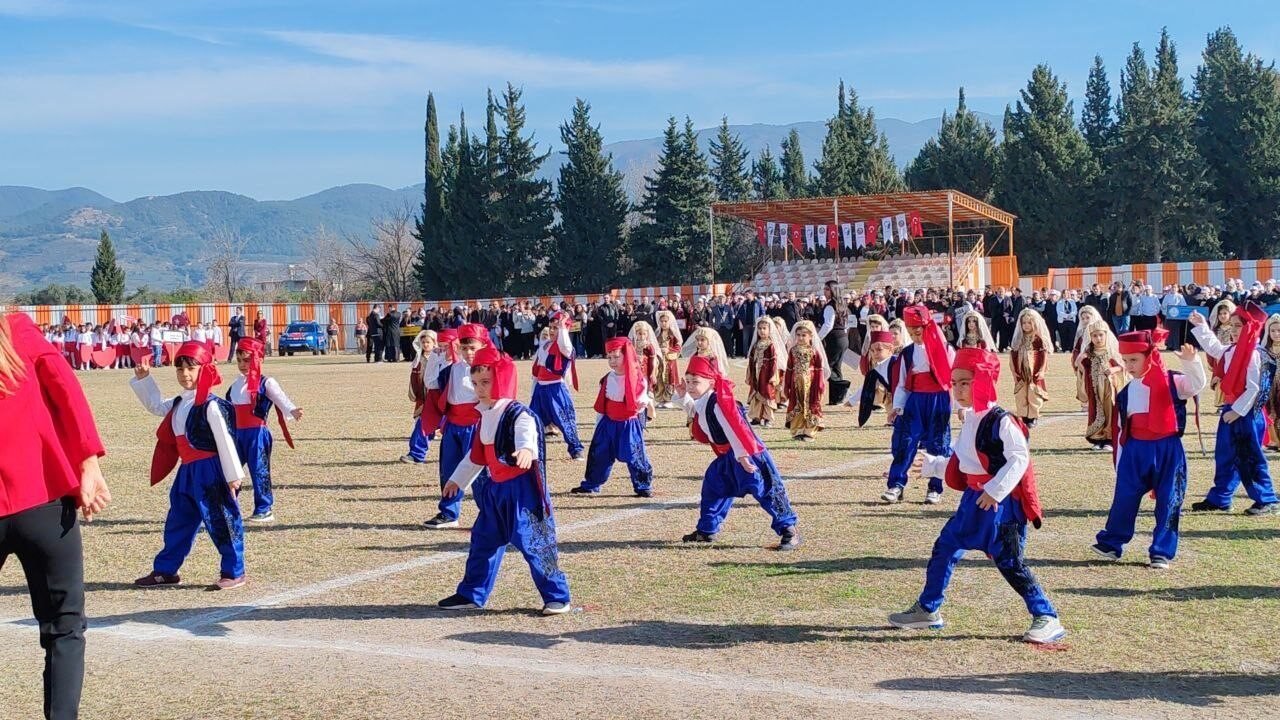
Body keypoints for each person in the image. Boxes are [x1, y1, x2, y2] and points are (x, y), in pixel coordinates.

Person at [887, 347, 1065, 645]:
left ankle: (1047, 616)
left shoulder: (1002, 420)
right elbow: (966, 461)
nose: (957, 389)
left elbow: (1019, 458)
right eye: (954, 383)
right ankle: (928, 609)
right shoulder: (971, 418)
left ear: (983, 381)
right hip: (972, 501)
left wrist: (995, 490)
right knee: (945, 547)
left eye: (965, 382)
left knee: (1009, 561)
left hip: (1001, 506)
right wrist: (933, 466)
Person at [1, 312, 111, 720]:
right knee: (64, 627)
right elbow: (67, 390)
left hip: (38, 500)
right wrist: (88, 462)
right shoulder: (17, 330)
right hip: (42, 499)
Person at [436, 347, 572, 615]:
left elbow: (526, 435)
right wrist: (457, 480)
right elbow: (476, 456)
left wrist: (526, 451)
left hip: (521, 493)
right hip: (495, 491)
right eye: (475, 383)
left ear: (501, 379)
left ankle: (557, 596)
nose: (479, 389)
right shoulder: (484, 414)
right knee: (483, 542)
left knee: (534, 542)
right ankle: (472, 593)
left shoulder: (518, 413)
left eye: (486, 382)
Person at [130, 341, 248, 590]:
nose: (184, 374)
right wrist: (144, 380)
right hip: (187, 471)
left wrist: (233, 476)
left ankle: (234, 571)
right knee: (179, 519)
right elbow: (156, 406)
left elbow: (226, 441)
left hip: (211, 471)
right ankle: (165, 570)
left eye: (191, 368)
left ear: (205, 369)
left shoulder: (212, 405)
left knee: (222, 519)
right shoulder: (179, 402)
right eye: (180, 369)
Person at [1092, 332, 1205, 569]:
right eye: (1125, 360)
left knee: (1169, 499)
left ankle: (1161, 551)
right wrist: (1120, 460)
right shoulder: (1127, 391)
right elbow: (1121, 428)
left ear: (1150, 356)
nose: (1129, 366)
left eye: (1134, 360)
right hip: (1136, 450)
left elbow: (1196, 385)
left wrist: (1191, 362)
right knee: (1124, 497)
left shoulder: (1172, 381)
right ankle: (1112, 542)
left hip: (1168, 449)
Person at [676, 355, 799, 550]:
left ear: (711, 382)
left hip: (748, 454)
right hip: (728, 457)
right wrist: (683, 396)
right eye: (688, 381)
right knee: (713, 488)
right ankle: (706, 530)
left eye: (695, 382)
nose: (690, 386)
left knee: (766, 490)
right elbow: (697, 412)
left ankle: (788, 530)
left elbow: (734, 428)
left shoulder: (719, 402)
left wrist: (742, 456)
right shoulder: (706, 400)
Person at [1188, 305, 1279, 515]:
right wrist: (1202, 326)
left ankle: (1266, 499)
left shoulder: (1255, 354)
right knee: (1225, 455)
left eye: (1239, 325)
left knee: (1249, 457)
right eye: (1232, 325)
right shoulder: (1232, 350)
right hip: (1232, 409)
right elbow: (1214, 348)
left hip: (1247, 413)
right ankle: (1220, 497)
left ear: (1250, 328)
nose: (1234, 329)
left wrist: (1237, 411)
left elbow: (1255, 388)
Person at [884, 306, 955, 504]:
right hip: (915, 401)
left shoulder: (946, 350)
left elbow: (954, 379)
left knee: (938, 443)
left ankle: (935, 487)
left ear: (927, 327)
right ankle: (896, 485)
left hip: (939, 400)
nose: (915, 336)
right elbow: (902, 382)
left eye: (918, 332)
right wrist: (898, 406)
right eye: (911, 332)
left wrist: (961, 408)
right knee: (905, 442)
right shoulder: (907, 353)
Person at [226, 338, 302, 523]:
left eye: (247, 360)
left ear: (259, 359)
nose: (242, 365)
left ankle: (264, 508)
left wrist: (292, 410)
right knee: (229, 469)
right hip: (237, 434)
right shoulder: (235, 385)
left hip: (257, 434)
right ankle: (227, 507)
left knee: (259, 470)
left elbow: (280, 398)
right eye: (239, 360)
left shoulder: (265, 382)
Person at [423, 324, 489, 529]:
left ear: (483, 346)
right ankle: (449, 512)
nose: (468, 353)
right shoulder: (452, 369)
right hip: (453, 426)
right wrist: (435, 358)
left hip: (476, 427)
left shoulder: (488, 371)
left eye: (473, 348)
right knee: (449, 469)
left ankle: (490, 514)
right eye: (464, 348)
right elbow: (431, 383)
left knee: (479, 473)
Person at [572, 337, 655, 497]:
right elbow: (603, 403)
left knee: (635, 455)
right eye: (609, 357)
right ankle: (592, 483)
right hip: (608, 423)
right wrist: (599, 424)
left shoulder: (637, 378)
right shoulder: (607, 378)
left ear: (626, 355)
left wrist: (642, 403)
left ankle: (643, 485)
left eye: (616, 357)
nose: (612, 361)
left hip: (628, 424)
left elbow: (641, 399)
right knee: (600, 454)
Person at [529, 311, 584, 460]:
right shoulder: (546, 345)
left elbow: (564, 344)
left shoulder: (565, 348)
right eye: (551, 327)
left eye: (556, 328)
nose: (552, 331)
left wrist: (563, 327)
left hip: (555, 389)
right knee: (530, 419)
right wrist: (534, 389)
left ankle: (576, 449)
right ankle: (529, 451)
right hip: (540, 388)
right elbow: (537, 368)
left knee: (565, 420)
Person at [1076, 320, 1125, 450]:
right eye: (1095, 336)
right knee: (1096, 411)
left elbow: (1123, 366)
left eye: (1101, 335)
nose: (1098, 338)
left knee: (1110, 410)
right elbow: (1083, 370)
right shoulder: (1089, 353)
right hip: (1095, 388)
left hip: (1110, 387)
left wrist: (1114, 369)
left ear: (1106, 335)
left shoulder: (1112, 351)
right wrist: (1080, 362)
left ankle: (1109, 439)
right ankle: (1098, 438)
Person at [784, 320, 828, 441]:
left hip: (811, 383)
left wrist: (820, 386)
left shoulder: (814, 351)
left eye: (804, 335)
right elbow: (789, 369)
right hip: (796, 383)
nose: (800, 338)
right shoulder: (793, 351)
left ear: (810, 336)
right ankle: (798, 430)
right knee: (796, 405)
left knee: (811, 405)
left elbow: (819, 370)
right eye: (798, 335)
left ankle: (809, 432)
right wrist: (786, 386)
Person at [1009, 309, 1051, 428]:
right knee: (1021, 393)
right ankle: (1023, 415)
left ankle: (1033, 416)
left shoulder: (1038, 339)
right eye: (1024, 323)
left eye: (1029, 323)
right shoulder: (1018, 339)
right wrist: (1014, 371)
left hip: (1034, 371)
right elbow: (1013, 355)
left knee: (1033, 393)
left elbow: (1043, 355)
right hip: (1021, 370)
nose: (1026, 325)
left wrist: (1041, 370)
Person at [403, 330, 438, 465]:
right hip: (427, 399)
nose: (426, 345)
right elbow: (414, 378)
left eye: (428, 342)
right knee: (423, 424)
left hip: (443, 400)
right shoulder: (418, 359)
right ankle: (416, 454)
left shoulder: (440, 358)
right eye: (423, 342)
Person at [746, 316, 787, 428]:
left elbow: (774, 362)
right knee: (755, 394)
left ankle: (768, 418)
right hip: (756, 375)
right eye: (759, 328)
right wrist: (750, 374)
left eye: (764, 328)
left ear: (770, 330)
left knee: (768, 395)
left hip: (766, 375)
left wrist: (773, 376)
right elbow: (751, 360)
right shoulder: (756, 345)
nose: (762, 331)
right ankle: (756, 417)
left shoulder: (771, 345)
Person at [818, 281, 851, 405]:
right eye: (824, 289)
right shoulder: (842, 305)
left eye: (827, 289)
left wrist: (817, 338)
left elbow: (828, 325)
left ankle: (843, 390)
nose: (824, 291)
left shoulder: (830, 306)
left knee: (827, 367)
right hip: (843, 338)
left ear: (833, 290)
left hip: (834, 339)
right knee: (836, 368)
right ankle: (836, 398)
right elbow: (847, 323)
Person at [651, 310, 683, 409]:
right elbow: (653, 345)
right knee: (659, 378)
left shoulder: (673, 334)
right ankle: (660, 398)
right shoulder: (657, 334)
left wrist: (668, 350)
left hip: (670, 361)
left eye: (665, 321)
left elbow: (678, 346)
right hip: (660, 361)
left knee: (670, 378)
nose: (663, 323)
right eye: (661, 321)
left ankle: (668, 399)